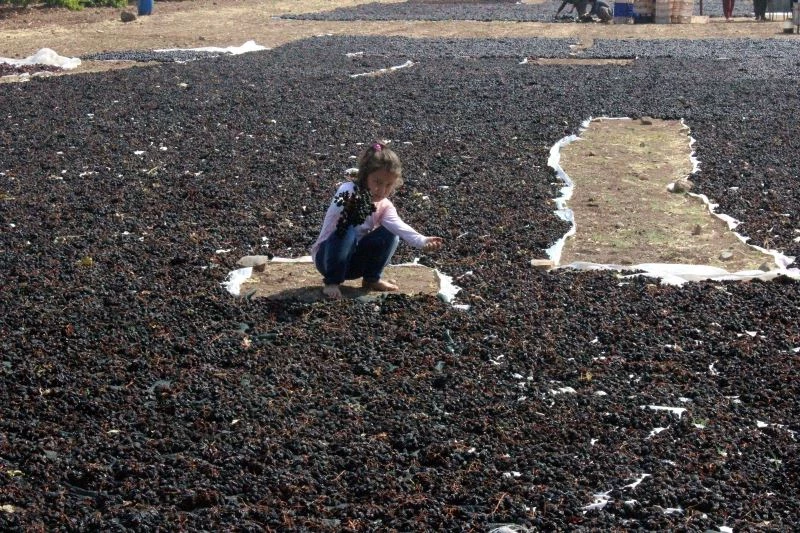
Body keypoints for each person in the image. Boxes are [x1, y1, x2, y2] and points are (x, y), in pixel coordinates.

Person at [311, 142, 444, 300]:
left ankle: (371, 279)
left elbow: (399, 227)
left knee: (391, 233)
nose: (381, 190)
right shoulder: (347, 190)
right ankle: (331, 282)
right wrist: (356, 203)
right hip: (328, 259)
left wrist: (422, 241)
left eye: (388, 185)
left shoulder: (384, 206)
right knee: (346, 228)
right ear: (365, 176)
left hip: (354, 264)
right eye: (377, 182)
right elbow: (340, 205)